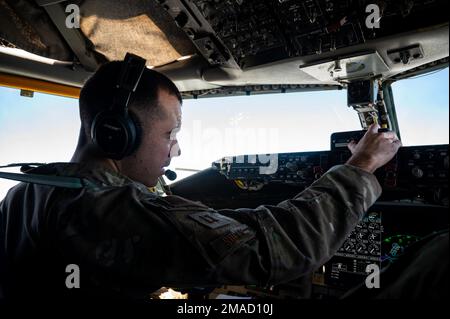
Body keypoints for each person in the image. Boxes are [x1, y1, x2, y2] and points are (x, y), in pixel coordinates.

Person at [0, 58, 401, 302]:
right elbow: (271, 252)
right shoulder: (111, 207)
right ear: (117, 133)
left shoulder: (27, 191)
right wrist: (361, 167)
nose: (176, 150)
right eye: (169, 135)